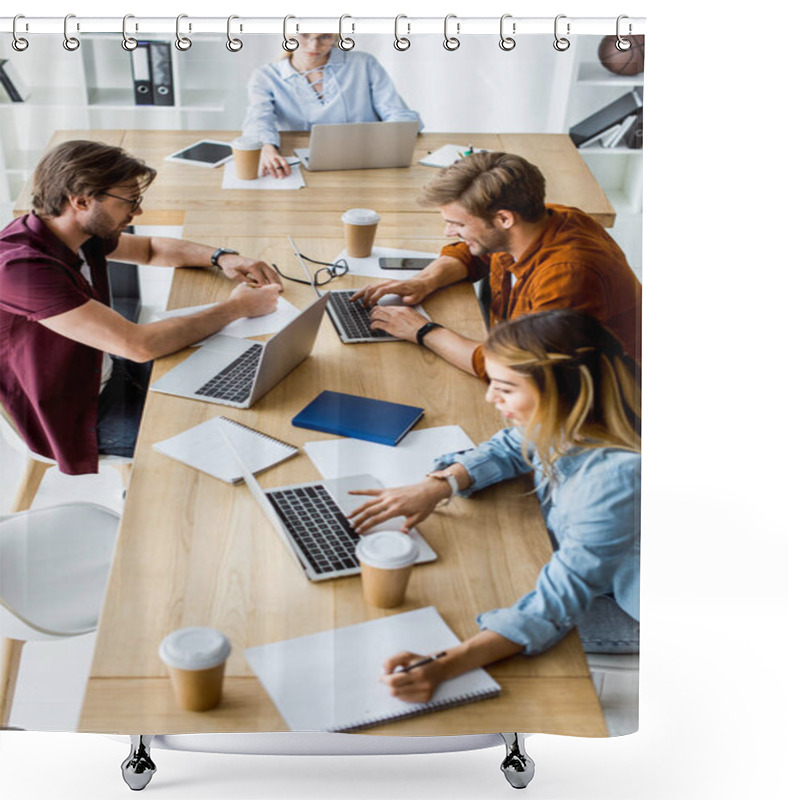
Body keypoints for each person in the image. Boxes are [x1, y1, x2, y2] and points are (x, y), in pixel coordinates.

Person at [347, 309, 640, 703]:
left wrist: (446, 664)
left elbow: (555, 603)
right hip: (588, 562)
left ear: (560, 390)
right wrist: (441, 484)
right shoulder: (591, 410)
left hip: (630, 608)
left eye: (504, 387)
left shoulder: (615, 477)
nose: (490, 397)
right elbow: (516, 443)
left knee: (471, 604)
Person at [0, 139, 283, 476]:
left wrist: (222, 257)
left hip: (106, 373)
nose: (137, 213)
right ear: (81, 200)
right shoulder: (21, 270)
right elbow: (138, 345)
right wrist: (236, 308)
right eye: (129, 202)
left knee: (247, 382)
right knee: (234, 444)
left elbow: (149, 249)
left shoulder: (76, 232)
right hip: (77, 415)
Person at [353, 151, 642, 378]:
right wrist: (425, 280)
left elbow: (516, 370)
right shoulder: (539, 220)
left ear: (504, 219)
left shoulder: (567, 276)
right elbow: (474, 254)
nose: (448, 232)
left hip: (602, 403)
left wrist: (423, 331)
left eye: (457, 223)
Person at [241, 33, 422, 178]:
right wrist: (267, 147)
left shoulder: (364, 63)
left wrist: (393, 141)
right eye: (304, 35)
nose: (314, 46)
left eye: (325, 37)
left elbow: (399, 114)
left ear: (336, 36)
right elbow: (258, 119)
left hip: (364, 165)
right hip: (300, 168)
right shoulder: (265, 76)